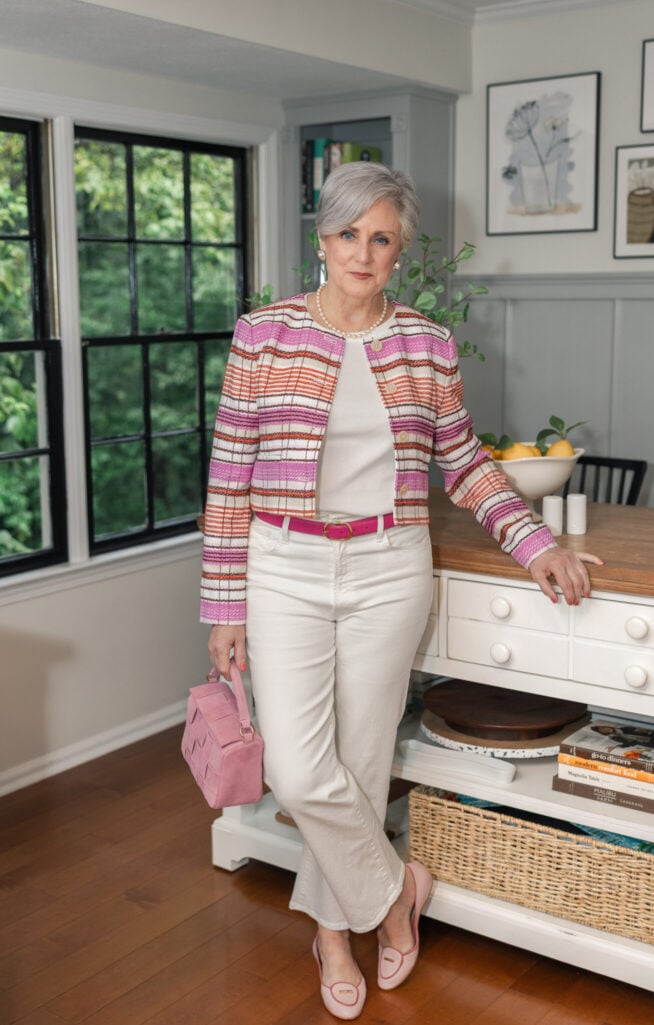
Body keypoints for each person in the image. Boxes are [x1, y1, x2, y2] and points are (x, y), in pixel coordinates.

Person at [201, 161, 602, 1020]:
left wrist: (535, 543)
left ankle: (334, 936)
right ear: (321, 239)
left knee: (359, 760)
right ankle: (396, 891)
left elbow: (461, 462)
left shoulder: (425, 341)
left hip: (389, 568)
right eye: (348, 233)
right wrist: (224, 605)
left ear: (400, 252)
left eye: (381, 238)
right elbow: (229, 476)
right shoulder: (262, 333)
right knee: (298, 769)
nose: (362, 251)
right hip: (283, 565)